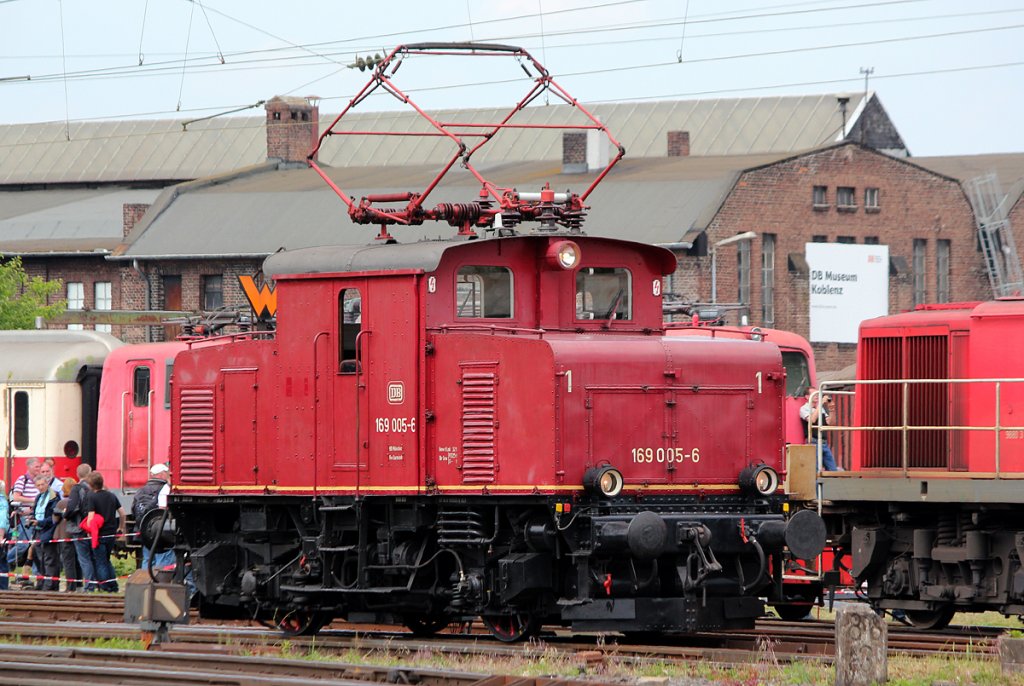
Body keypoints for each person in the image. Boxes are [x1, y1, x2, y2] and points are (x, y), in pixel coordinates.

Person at [83, 472, 126, 592]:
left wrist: (89, 530)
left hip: (99, 534)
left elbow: (91, 517)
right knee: (106, 560)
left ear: (91, 485)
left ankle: (105, 586)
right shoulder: (112, 496)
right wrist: (121, 528)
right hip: (111, 533)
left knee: (100, 561)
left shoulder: (92, 497)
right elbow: (122, 513)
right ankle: (114, 585)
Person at [133, 463, 175, 570]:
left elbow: (134, 509)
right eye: (166, 473)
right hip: (162, 532)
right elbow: (164, 509)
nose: (169, 475)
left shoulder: (140, 491)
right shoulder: (165, 489)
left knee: (147, 560)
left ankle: (144, 583)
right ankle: (161, 584)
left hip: (145, 531)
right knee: (163, 560)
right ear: (161, 475)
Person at [8, 458, 42, 577]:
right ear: (30, 467)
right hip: (25, 516)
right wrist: (34, 501)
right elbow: (16, 497)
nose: (39, 469)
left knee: (35, 545)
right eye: (37, 467)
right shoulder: (23, 479)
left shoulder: (40, 481)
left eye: (39, 466)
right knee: (23, 545)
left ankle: (37, 573)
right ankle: (5, 561)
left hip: (37, 516)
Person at [27, 473, 61, 590]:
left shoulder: (54, 497)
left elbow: (54, 517)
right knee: (38, 558)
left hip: (48, 530)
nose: (40, 487)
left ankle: (50, 585)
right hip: (37, 530)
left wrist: (40, 522)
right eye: (38, 485)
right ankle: (41, 582)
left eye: (42, 484)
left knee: (49, 558)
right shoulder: (38, 497)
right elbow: (35, 510)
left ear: (47, 483)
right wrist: (31, 518)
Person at [66, 464, 95, 591]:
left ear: (77, 475)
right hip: (94, 527)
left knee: (84, 558)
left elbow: (72, 508)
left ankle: (89, 586)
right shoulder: (95, 488)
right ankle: (98, 583)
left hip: (80, 527)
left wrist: (65, 514)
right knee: (94, 557)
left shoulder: (77, 489)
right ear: (90, 473)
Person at [800, 386, 840, 471]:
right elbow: (812, 420)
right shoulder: (803, 409)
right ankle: (815, 485)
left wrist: (831, 409)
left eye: (818, 394)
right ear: (807, 397)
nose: (817, 396)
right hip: (813, 442)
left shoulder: (820, 408)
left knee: (833, 470)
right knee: (815, 471)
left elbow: (830, 422)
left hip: (824, 442)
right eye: (814, 394)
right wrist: (821, 403)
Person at [54, 478, 81, 591]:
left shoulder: (62, 503)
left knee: (68, 562)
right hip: (77, 533)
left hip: (64, 535)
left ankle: (70, 587)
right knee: (77, 560)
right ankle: (79, 584)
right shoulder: (79, 501)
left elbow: (55, 520)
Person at [0, 480, 8, 590]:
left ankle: (3, 587)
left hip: (0, 533)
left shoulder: (1, 501)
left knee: (1, 562)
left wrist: (1, 536)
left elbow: (2, 519)